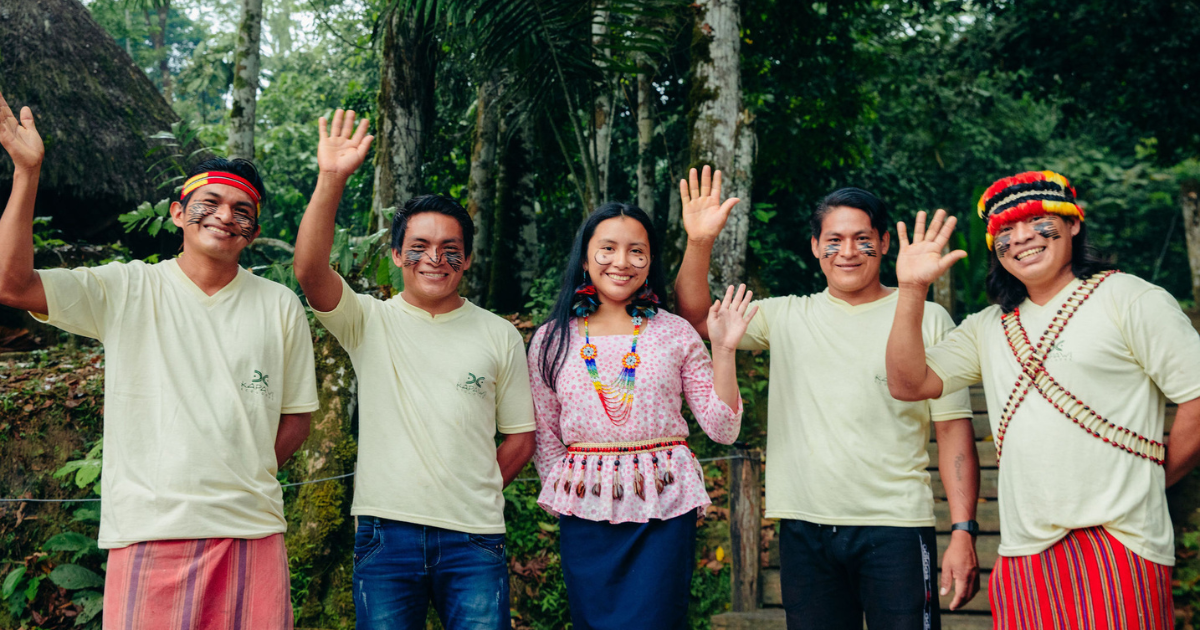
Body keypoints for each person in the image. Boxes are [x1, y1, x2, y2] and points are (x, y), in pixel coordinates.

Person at [0, 92, 319, 629]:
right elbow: (12, 284)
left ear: (254, 231)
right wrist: (27, 172)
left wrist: (241, 468)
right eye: (210, 203)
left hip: (253, 529)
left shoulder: (280, 304)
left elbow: (297, 418)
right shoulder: (127, 287)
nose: (225, 216)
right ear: (178, 213)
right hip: (149, 530)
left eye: (242, 210)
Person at [885, 171, 1200, 629]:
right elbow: (907, 384)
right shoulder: (988, 325)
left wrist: (1152, 479)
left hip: (1122, 542)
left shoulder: (1129, 298)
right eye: (1005, 231)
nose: (1022, 238)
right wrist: (912, 289)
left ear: (1074, 224)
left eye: (1037, 221)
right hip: (1021, 552)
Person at [674, 166, 980, 629]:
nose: (848, 252)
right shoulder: (786, 316)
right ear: (816, 247)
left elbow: (953, 432)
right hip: (803, 526)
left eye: (862, 238)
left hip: (895, 525)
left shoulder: (927, 316)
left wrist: (962, 531)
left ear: (883, 243)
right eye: (833, 240)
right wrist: (699, 242)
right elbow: (697, 319)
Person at [292, 110, 535, 630]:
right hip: (385, 535)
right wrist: (332, 178)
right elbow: (310, 272)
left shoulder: (500, 334)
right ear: (398, 253)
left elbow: (521, 437)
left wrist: (474, 488)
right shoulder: (368, 321)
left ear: (467, 259)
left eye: (451, 249)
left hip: (474, 537)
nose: (436, 260)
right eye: (420, 247)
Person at [527, 202, 755, 629]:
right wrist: (576, 495)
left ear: (649, 262)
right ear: (584, 257)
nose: (622, 261)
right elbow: (546, 436)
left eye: (637, 251)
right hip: (586, 510)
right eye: (607, 248)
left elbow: (722, 429)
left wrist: (723, 350)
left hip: (664, 506)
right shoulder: (551, 338)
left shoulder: (675, 332)